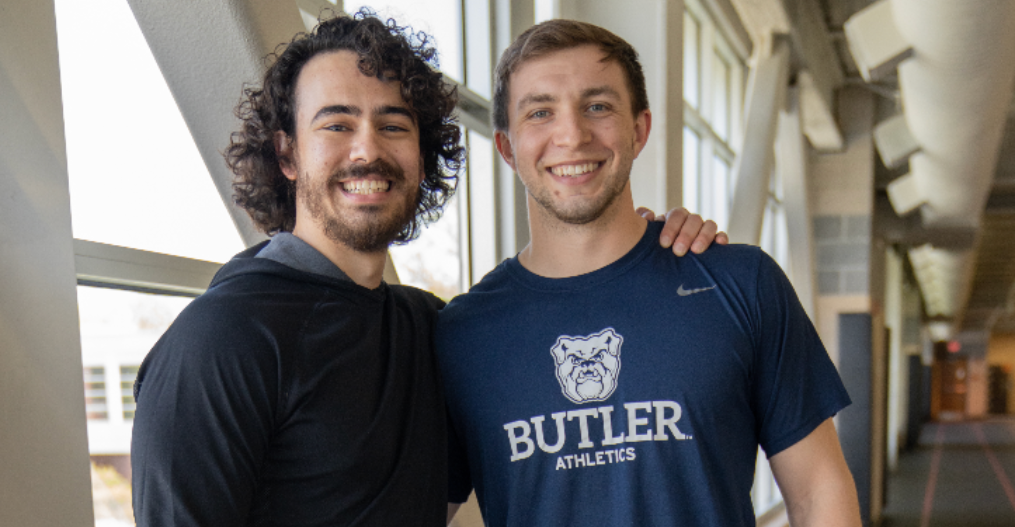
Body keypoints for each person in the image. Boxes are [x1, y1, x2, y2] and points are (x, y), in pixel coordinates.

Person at [131, 12, 723, 527]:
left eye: (393, 125)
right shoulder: (219, 343)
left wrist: (642, 246)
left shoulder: (431, 331)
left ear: (423, 153)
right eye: (336, 124)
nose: (367, 149)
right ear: (287, 153)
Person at [437, 19, 861, 527]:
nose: (571, 134)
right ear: (507, 147)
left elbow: (818, 492)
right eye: (540, 112)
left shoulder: (741, 284)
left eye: (597, 106)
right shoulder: (463, 334)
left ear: (639, 129)